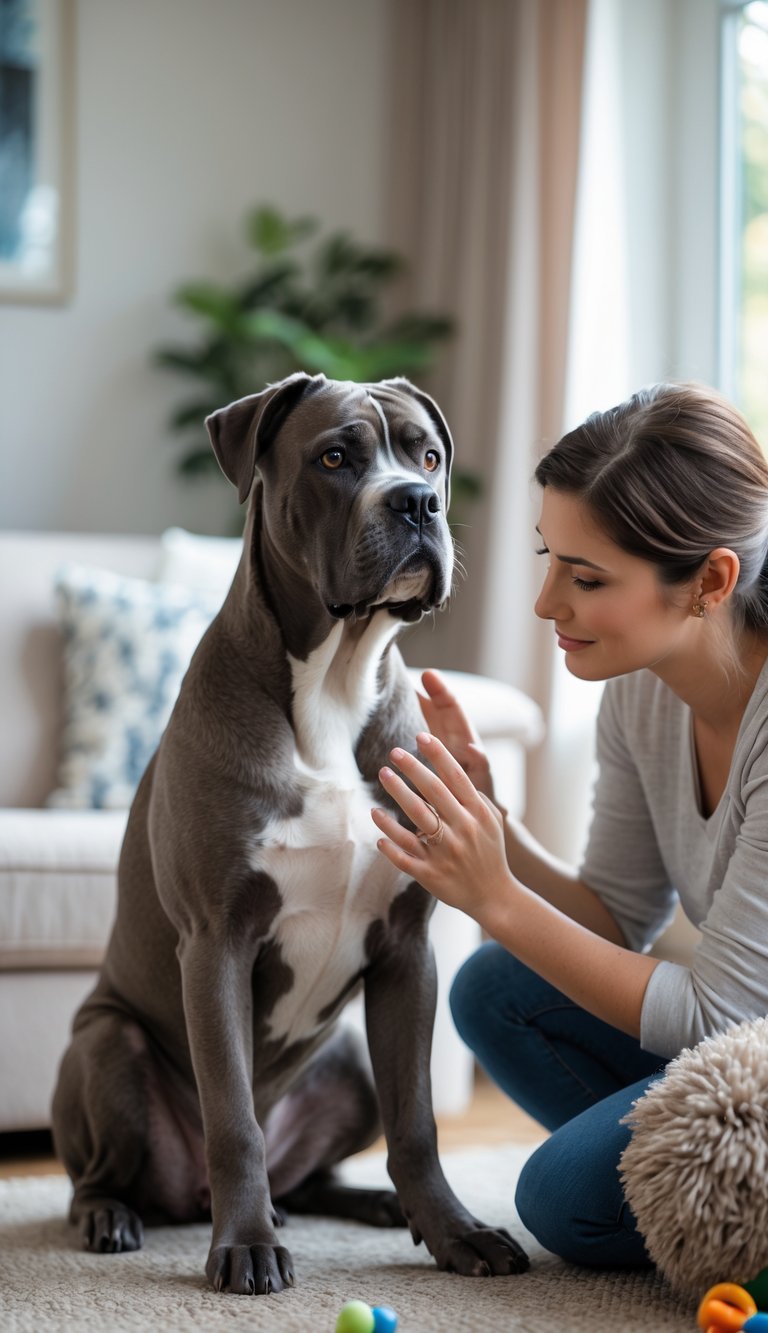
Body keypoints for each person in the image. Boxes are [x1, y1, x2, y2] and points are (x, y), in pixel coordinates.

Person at [371, 381, 768, 1269]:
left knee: (558, 1197)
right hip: (747, 1049)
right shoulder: (641, 688)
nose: (548, 602)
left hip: (748, 1042)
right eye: (551, 558)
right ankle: (711, 1193)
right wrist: (494, 828)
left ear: (710, 580)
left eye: (586, 578)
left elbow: (718, 1015)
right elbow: (616, 917)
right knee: (494, 986)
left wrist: (497, 895)